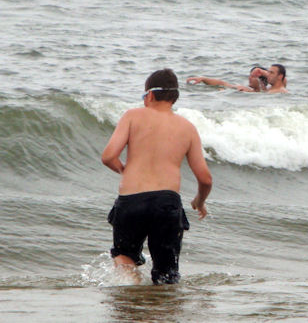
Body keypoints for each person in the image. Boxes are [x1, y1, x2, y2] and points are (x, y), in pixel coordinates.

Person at [101, 68, 212, 285]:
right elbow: (206, 178)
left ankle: (130, 293)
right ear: (174, 97)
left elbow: (108, 156)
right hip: (167, 203)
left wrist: (126, 170)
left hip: (131, 201)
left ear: (150, 95)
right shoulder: (188, 128)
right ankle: (162, 312)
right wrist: (200, 201)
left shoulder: (132, 116)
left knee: (124, 258)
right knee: (166, 273)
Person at [186, 66, 269, 92]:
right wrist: (203, 79)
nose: (249, 78)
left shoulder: (265, 92)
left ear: (261, 81)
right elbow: (222, 83)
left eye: (252, 77)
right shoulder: (245, 87)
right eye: (249, 76)